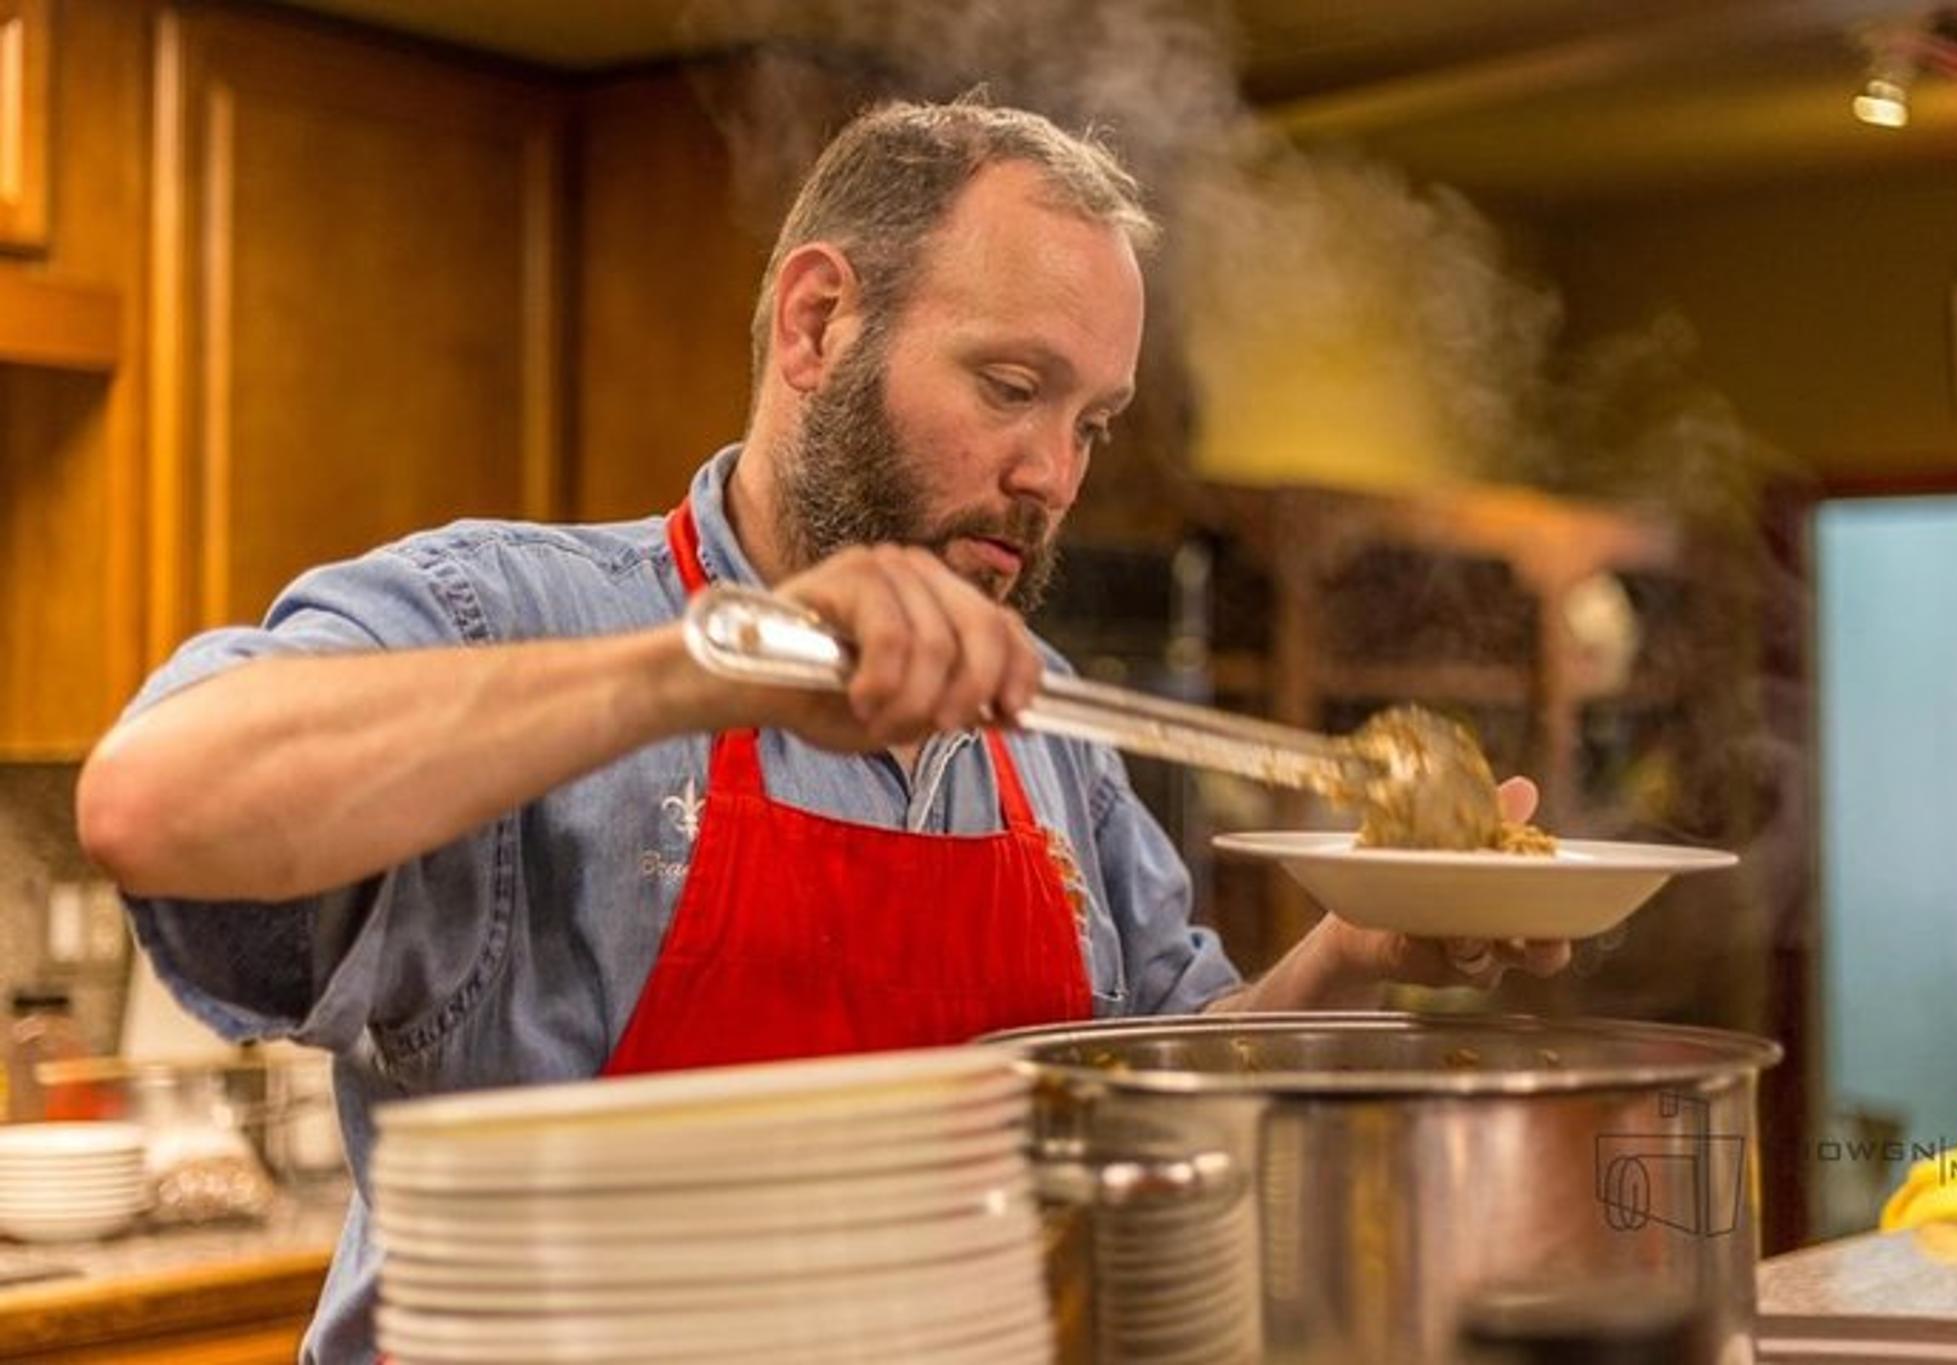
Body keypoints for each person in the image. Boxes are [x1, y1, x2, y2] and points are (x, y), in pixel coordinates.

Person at [76, 99, 1566, 1363]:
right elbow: (154, 797)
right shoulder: (509, 609)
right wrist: (703, 671)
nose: (1052, 471)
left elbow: (1164, 1101)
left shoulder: (1049, 731)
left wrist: (1361, 958)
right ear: (816, 323)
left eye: (1092, 422)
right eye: (1010, 386)